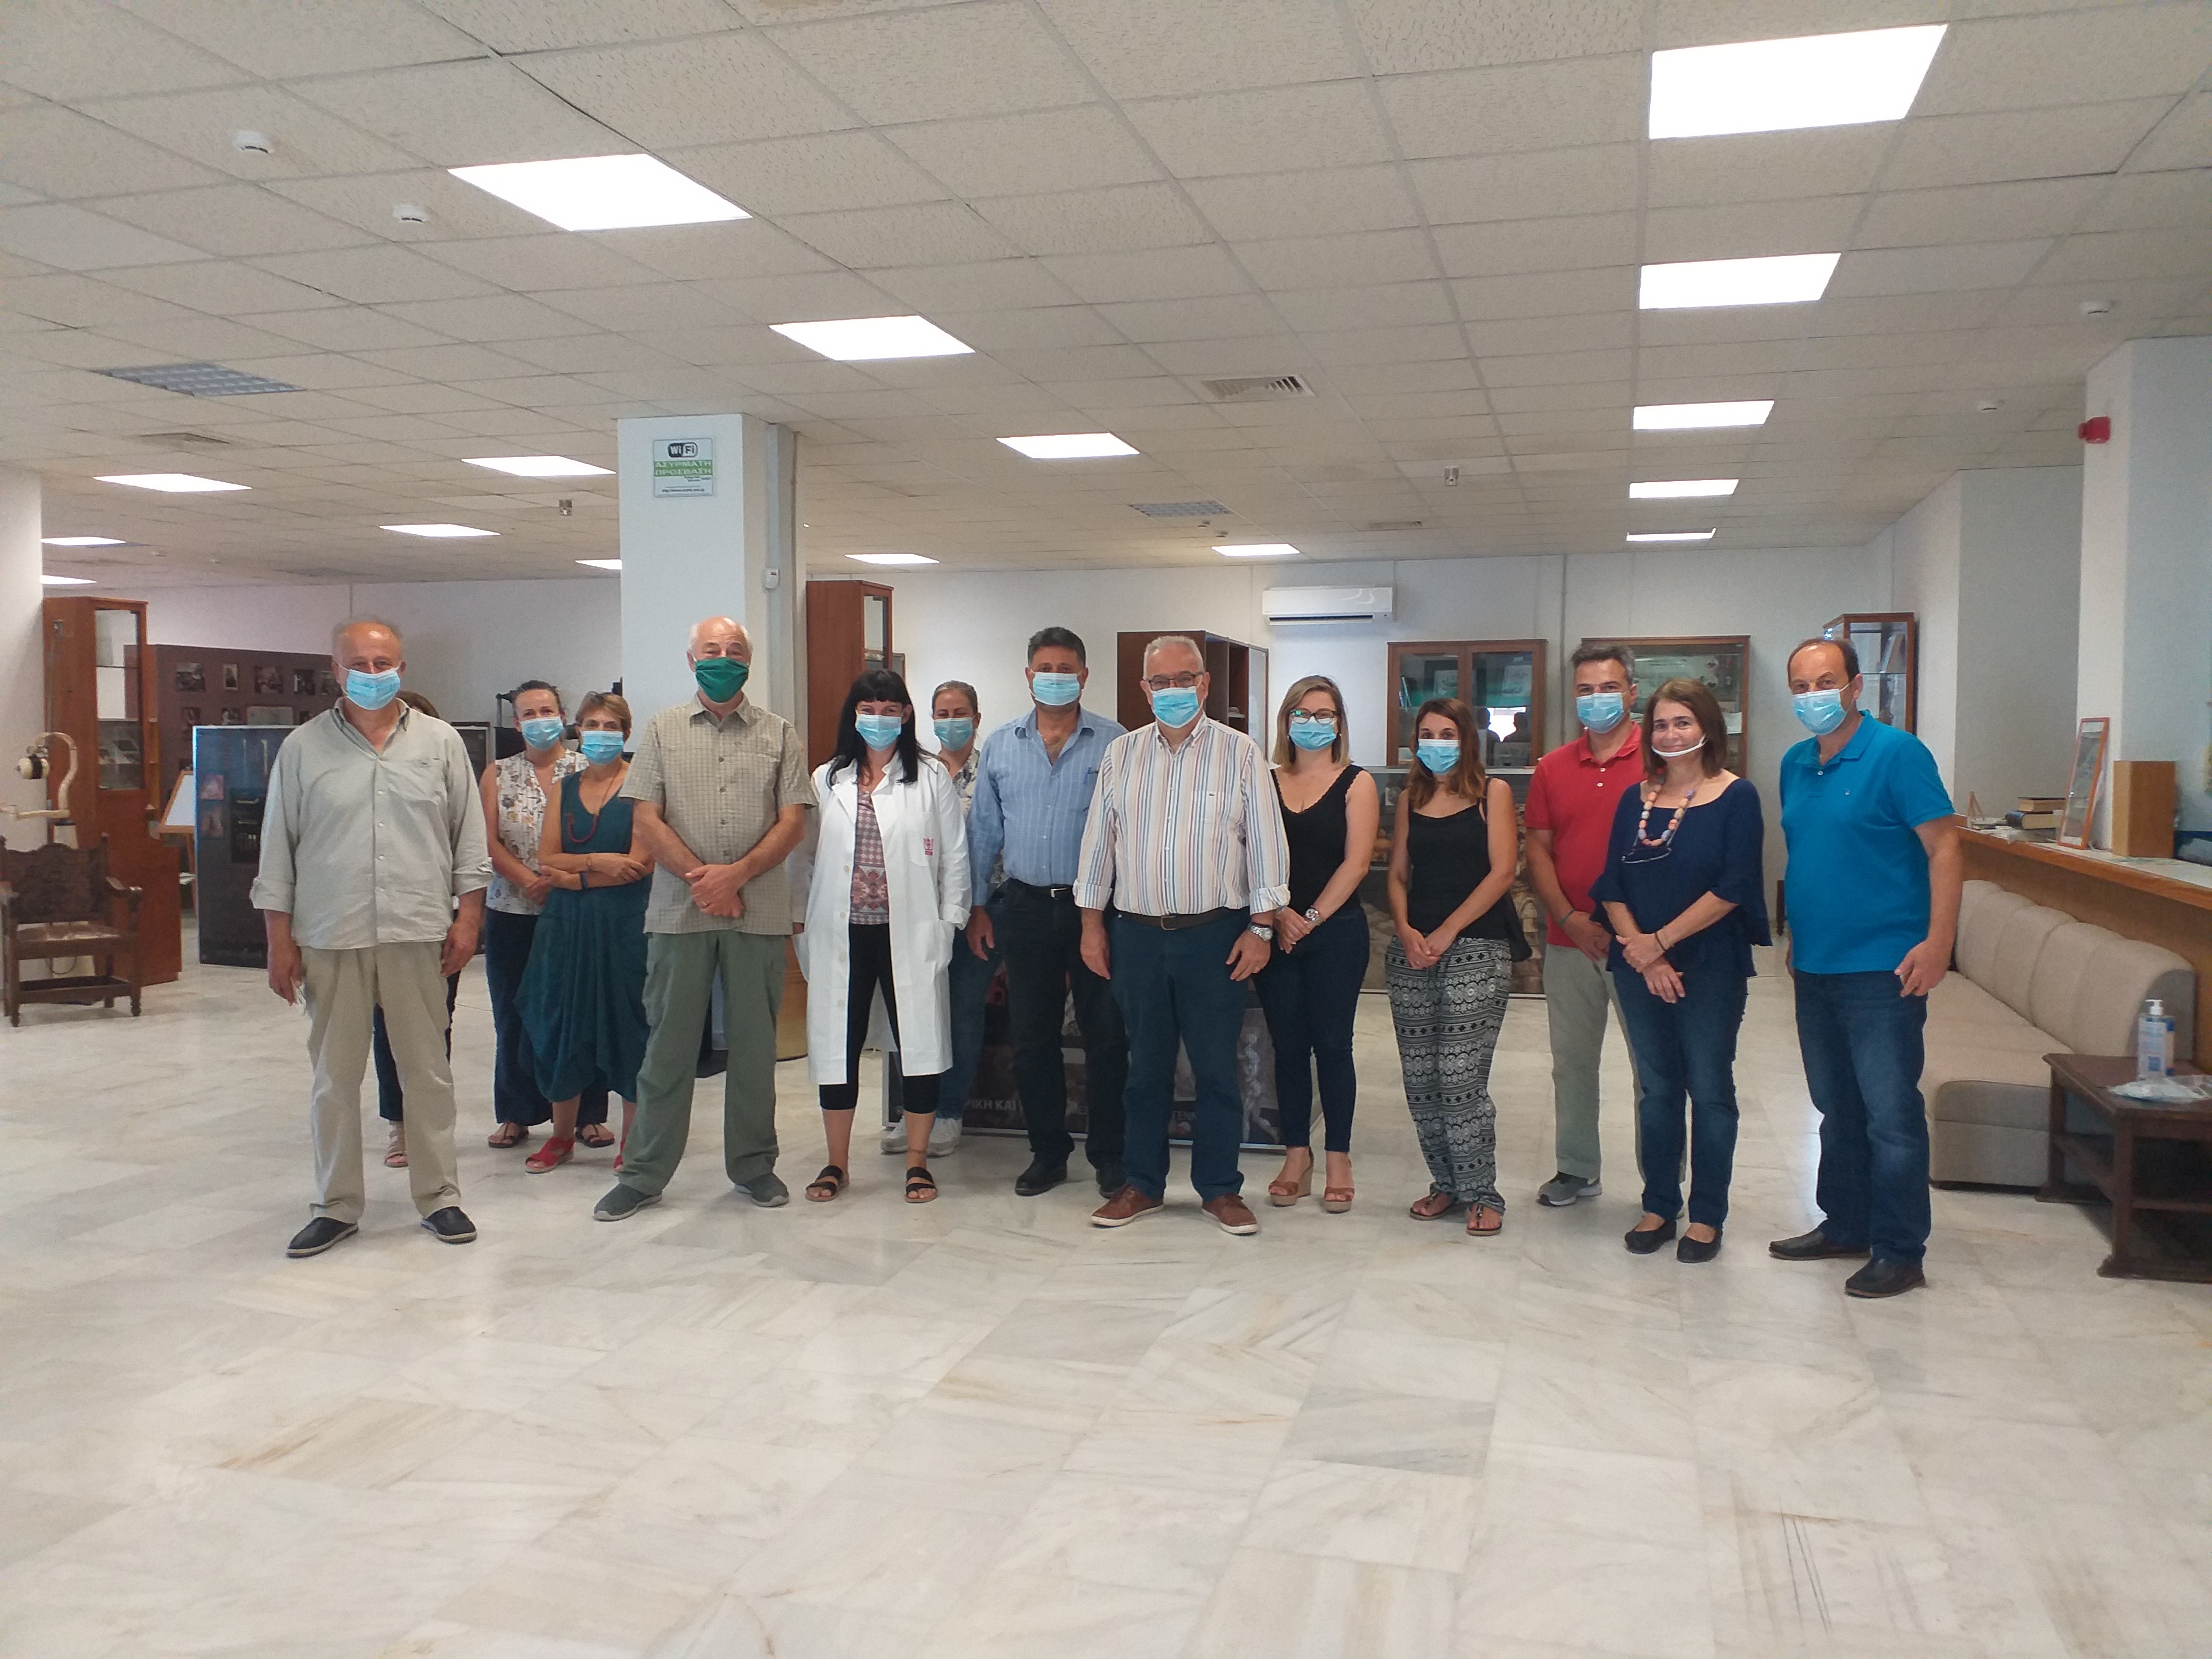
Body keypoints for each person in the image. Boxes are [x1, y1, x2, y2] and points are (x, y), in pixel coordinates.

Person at [253, 618, 489, 1258]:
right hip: (332, 933)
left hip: (417, 930)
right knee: (334, 1078)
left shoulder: (441, 744)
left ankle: (439, 1196)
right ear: (335, 670)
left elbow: (468, 841)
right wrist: (279, 940)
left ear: (402, 670)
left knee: (427, 1072)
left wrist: (469, 919)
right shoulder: (302, 749)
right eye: (358, 663)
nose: (372, 673)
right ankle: (335, 1204)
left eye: (384, 663)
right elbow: (278, 850)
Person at [591, 616, 813, 1222]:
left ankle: (754, 1166)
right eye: (711, 650)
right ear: (692, 661)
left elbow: (793, 821)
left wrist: (736, 876)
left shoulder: (779, 733)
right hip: (678, 912)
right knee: (667, 1047)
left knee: (755, 1047)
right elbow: (646, 819)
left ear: (749, 662)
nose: (723, 658)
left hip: (757, 911)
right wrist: (706, 881)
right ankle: (643, 1174)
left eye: (734, 650)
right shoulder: (662, 729)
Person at [1075, 634, 1288, 1235]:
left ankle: (1220, 1189)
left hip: (1214, 936)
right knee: (1144, 1069)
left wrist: (1262, 927)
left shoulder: (1240, 753)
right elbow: (1099, 842)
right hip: (1137, 937)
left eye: (1185, 679)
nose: (1174, 690)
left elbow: (1266, 844)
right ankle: (1141, 1183)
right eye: (1161, 682)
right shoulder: (1122, 755)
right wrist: (1091, 925)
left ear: (1205, 684)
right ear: (1145, 690)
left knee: (1216, 1069)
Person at [1770, 636, 1960, 1298]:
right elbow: (1808, 854)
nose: (1813, 696)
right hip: (1816, 964)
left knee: (1890, 1113)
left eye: (1826, 682)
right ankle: (1846, 1224)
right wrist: (1797, 935)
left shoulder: (1898, 754)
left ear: (1856, 686)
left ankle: (1900, 1249)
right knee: (1835, 1106)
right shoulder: (1796, 763)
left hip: (1885, 967)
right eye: (1800, 687)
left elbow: (1944, 848)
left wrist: (1939, 942)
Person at [1590, 678, 1769, 1263]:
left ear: (1708, 728)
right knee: (1658, 1090)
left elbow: (1735, 886)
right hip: (1639, 966)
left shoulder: (1737, 796)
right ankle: (1659, 1205)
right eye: (1661, 725)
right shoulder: (1635, 799)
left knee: (1710, 1090)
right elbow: (1611, 884)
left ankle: (1708, 1215)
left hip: (1709, 966)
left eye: (1683, 722)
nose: (1670, 734)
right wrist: (1644, 954)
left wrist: (1661, 944)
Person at [795, 669, 971, 1205]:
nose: (879, 718)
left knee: (919, 1044)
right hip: (841, 933)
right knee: (838, 1044)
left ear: (906, 715)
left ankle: (917, 1162)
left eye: (890, 709)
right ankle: (837, 1162)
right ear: (854, 714)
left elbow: (955, 857)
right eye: (869, 708)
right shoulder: (828, 778)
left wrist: (949, 922)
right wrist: (800, 921)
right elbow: (804, 859)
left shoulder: (931, 777)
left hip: (910, 932)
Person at [966, 627, 1130, 1198]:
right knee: (1032, 1037)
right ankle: (1048, 1153)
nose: (1055, 677)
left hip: (1097, 911)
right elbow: (984, 833)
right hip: (1025, 907)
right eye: (1045, 668)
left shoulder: (1116, 743)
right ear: (1028, 675)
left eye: (1066, 669)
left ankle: (1110, 1156)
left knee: (1106, 1035)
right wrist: (978, 906)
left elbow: (1128, 829)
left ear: (1084, 676)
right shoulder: (1001, 745)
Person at [1385, 697, 1526, 1237]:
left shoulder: (1492, 794)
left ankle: (1482, 1191)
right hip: (1414, 951)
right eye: (1427, 733)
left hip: (1477, 947)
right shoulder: (1411, 798)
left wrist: (1447, 931)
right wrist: (1405, 928)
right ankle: (1445, 1183)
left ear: (1467, 739)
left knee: (1459, 1076)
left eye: (1448, 734)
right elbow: (1398, 873)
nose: (1436, 743)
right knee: (1421, 1079)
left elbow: (1502, 872)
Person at [1523, 643, 1647, 1208]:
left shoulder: (1660, 760)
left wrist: (1639, 935)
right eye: (1586, 690)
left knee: (1654, 1069)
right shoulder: (1552, 768)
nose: (1598, 699)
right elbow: (1539, 849)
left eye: (1609, 688)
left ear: (1632, 693)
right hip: (1569, 941)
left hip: (1644, 946)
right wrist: (1570, 919)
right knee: (1572, 1063)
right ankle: (1576, 1168)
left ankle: (1663, 1182)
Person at [1254, 675, 1378, 1213]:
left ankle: (1339, 1157)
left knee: (1332, 1044)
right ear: (1286, 722)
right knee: (1287, 1046)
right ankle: (1296, 1156)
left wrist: (1308, 918)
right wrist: (1279, 914)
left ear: (1339, 723)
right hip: (1276, 929)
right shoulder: (1264, 781)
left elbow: (1356, 862)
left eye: (1323, 714)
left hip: (1336, 933)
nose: (1311, 723)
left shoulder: (1356, 782)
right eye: (1301, 714)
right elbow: (1251, 854)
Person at [515, 693, 653, 1174]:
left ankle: (633, 1143)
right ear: (578, 730)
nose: (601, 733)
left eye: (611, 726)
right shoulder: (565, 788)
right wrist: (598, 862)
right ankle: (561, 1137)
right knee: (561, 1023)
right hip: (566, 927)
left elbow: (638, 864)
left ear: (627, 733)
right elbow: (547, 857)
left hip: (625, 925)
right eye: (592, 724)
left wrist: (576, 878)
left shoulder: (643, 786)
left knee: (629, 1026)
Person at [477, 681, 610, 1156]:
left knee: (580, 1012)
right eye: (529, 714)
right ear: (517, 723)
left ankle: (588, 1114)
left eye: (547, 711)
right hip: (512, 910)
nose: (540, 720)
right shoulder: (498, 773)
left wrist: (559, 880)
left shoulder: (586, 768)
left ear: (563, 716)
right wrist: (527, 879)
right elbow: (486, 840)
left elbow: (602, 835)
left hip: (576, 909)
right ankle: (517, 1112)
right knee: (513, 1012)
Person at [881, 678, 997, 1159]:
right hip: (917, 911)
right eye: (942, 714)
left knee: (962, 1011)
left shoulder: (991, 770)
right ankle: (914, 1114)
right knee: (913, 1012)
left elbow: (993, 844)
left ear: (977, 718)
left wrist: (977, 907)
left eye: (960, 713)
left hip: (978, 910)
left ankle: (949, 1113)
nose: (951, 722)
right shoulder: (917, 771)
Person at [371, 688, 462, 1169]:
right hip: (375, 922)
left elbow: (467, 844)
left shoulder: (448, 772)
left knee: (433, 1026)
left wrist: (466, 917)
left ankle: (431, 1125)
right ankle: (399, 1124)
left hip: (434, 917)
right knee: (385, 1026)